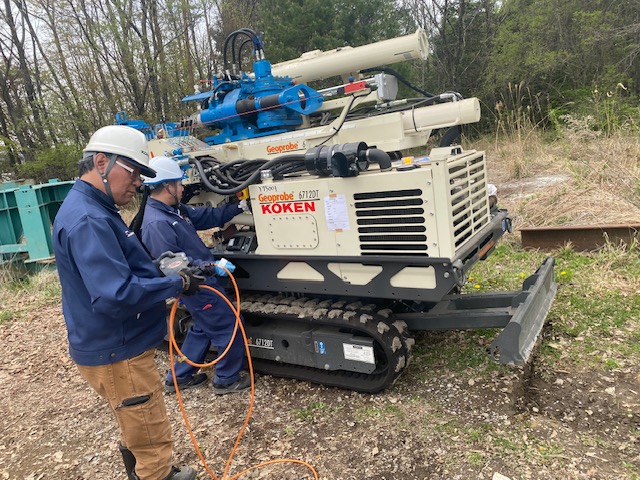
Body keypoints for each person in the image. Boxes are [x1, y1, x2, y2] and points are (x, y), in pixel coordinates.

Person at [52, 126, 201, 480]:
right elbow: (114, 294)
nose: (138, 182)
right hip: (119, 350)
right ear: (101, 162)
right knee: (149, 434)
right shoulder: (89, 218)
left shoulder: (94, 206)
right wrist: (176, 282)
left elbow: (117, 268)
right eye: (132, 172)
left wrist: (157, 269)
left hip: (111, 343)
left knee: (135, 422)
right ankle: (156, 474)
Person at [140, 155, 251, 395]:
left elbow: (206, 217)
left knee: (202, 326)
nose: (182, 188)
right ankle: (226, 379)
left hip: (201, 280)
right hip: (196, 284)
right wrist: (210, 266)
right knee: (230, 325)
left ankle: (178, 377)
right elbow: (174, 265)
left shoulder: (174, 210)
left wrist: (239, 207)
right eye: (179, 183)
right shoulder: (156, 224)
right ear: (167, 186)